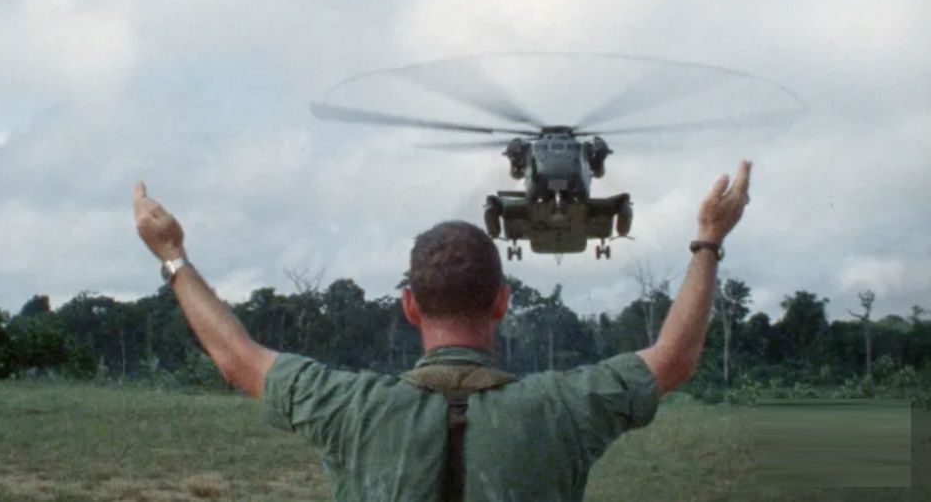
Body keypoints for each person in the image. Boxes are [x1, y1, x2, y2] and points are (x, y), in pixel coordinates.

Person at [132, 160, 752, 501]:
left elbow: (236, 358)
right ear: (503, 303)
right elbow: (674, 357)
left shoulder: (350, 408)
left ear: (409, 307)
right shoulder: (562, 409)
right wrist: (708, 242)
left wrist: (174, 257)